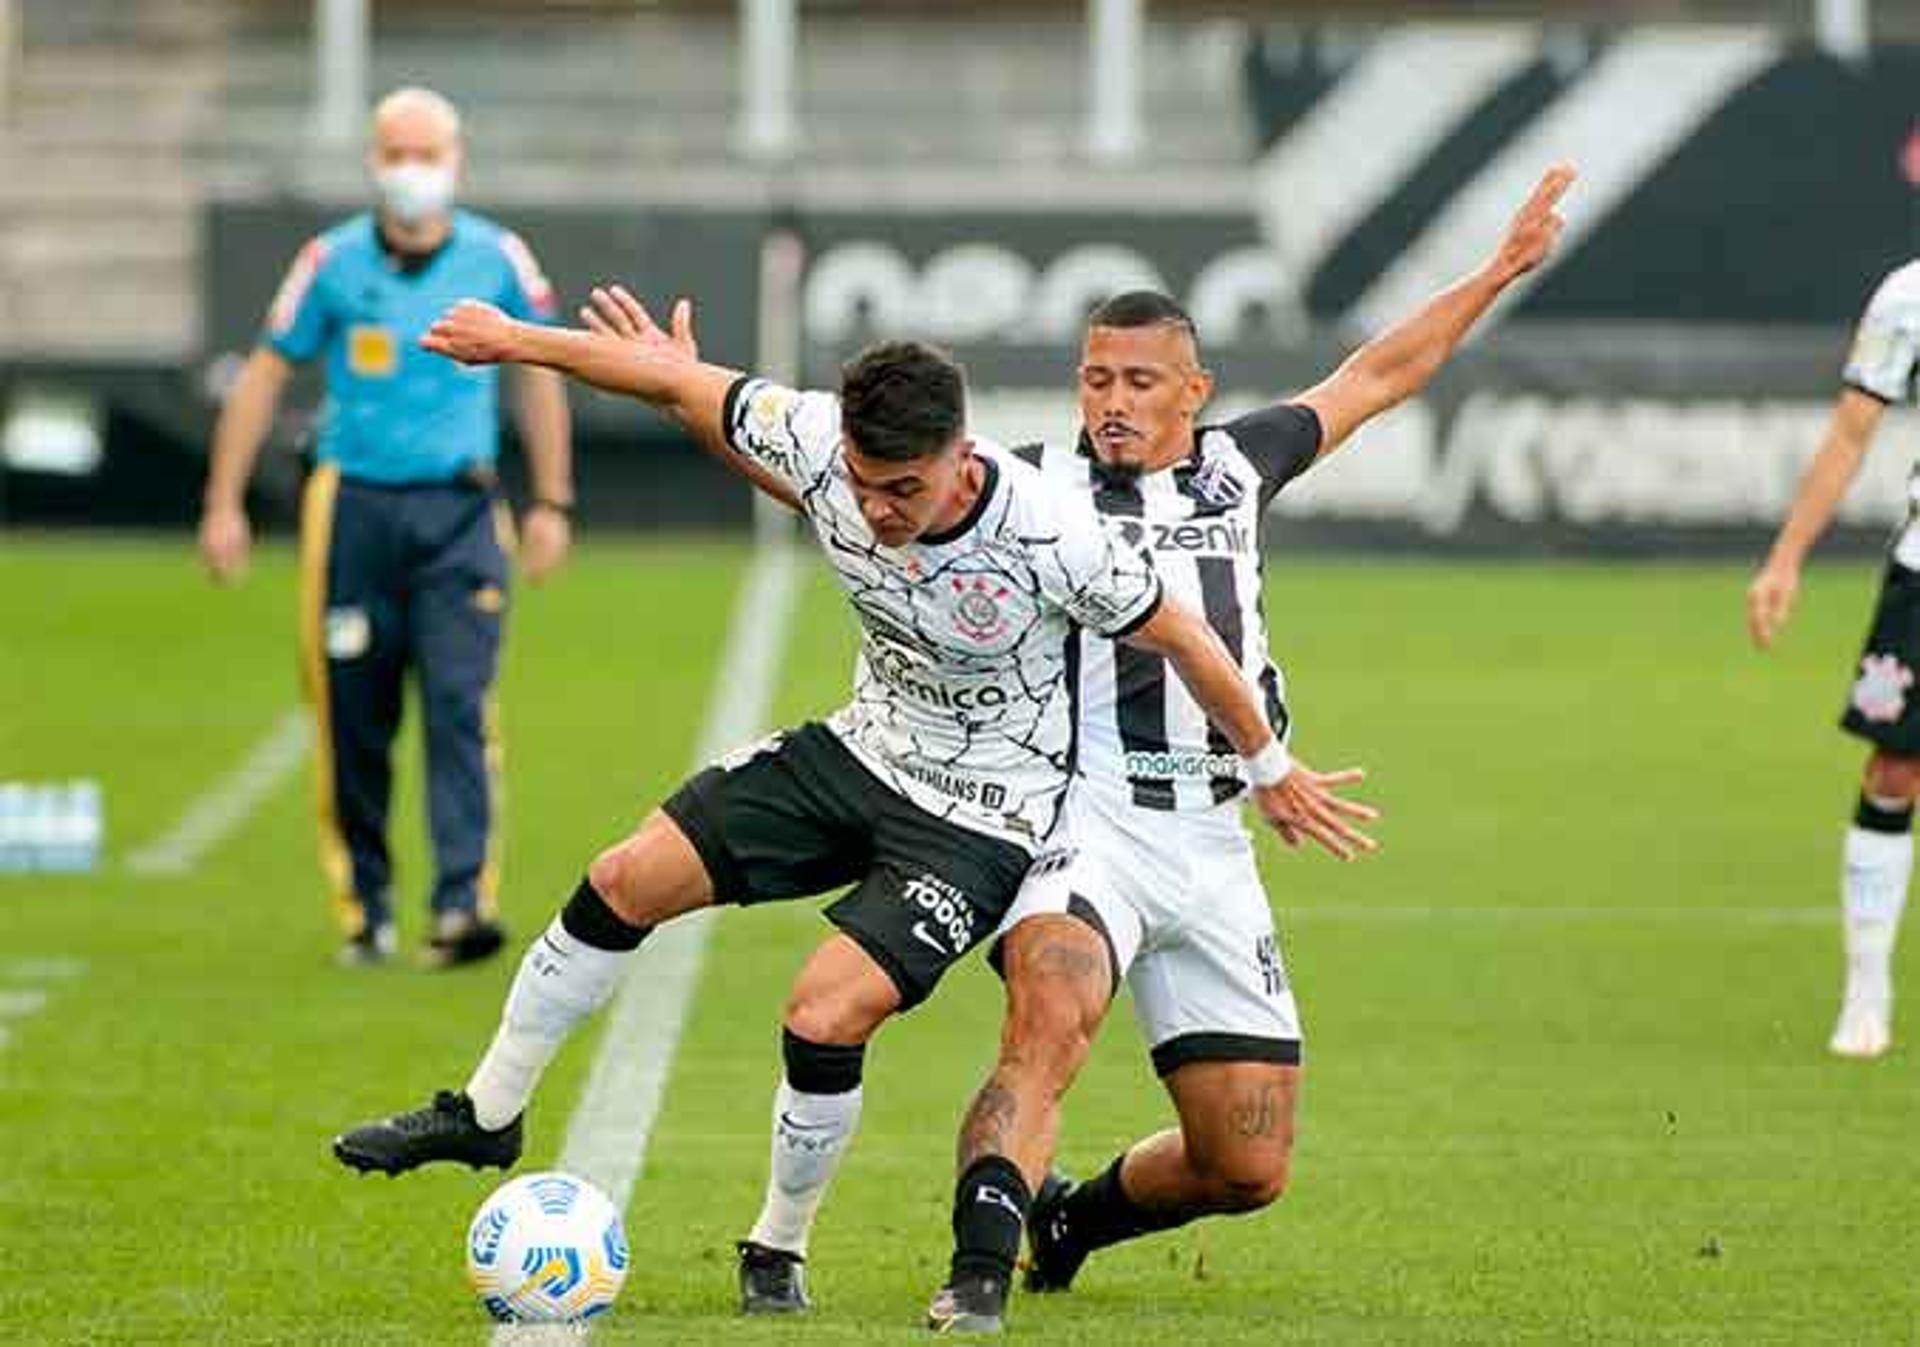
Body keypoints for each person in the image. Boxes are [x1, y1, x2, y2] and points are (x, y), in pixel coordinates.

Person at [328, 290, 1378, 1322]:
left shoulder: (1054, 531)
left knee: (825, 1009)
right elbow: (679, 380)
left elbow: (1190, 636)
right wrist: (516, 341)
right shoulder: (825, 445)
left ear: (963, 460)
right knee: (622, 878)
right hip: (865, 746)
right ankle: (486, 1113)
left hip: (984, 811)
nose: (877, 510)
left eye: (903, 491)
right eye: (864, 485)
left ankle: (778, 1247)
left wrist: (1270, 761)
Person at [197, 87, 574, 968]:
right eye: (395, 152)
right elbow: (261, 376)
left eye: (426, 153)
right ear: (372, 159)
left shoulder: (498, 257)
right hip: (354, 508)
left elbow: (541, 373)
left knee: (458, 701)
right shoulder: (329, 262)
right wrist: (224, 502)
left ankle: (460, 903)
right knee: (352, 714)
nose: (411, 170)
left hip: (461, 508)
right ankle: (363, 903)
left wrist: (551, 499)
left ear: (457, 159)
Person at [1747, 255, 1920, 1059]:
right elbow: (1852, 432)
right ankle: (1867, 986)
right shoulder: (1908, 293)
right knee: (1894, 771)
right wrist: (1786, 558)